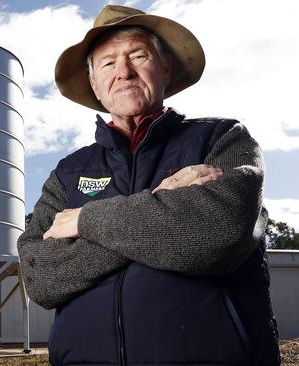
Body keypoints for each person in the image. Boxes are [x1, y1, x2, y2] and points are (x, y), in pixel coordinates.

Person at [17, 5, 280, 365]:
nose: (123, 71)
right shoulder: (68, 172)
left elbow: (219, 230)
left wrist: (86, 221)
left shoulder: (221, 138)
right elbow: (40, 276)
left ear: (165, 68)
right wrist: (160, 207)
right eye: (108, 63)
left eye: (138, 56)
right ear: (94, 84)